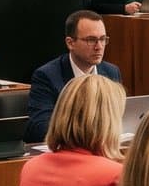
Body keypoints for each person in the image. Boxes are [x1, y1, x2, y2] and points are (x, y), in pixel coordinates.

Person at [27, 10, 124, 143]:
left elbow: (119, 118)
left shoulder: (111, 72)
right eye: (91, 40)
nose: (99, 46)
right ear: (70, 43)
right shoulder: (47, 75)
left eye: (102, 39)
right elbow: (40, 128)